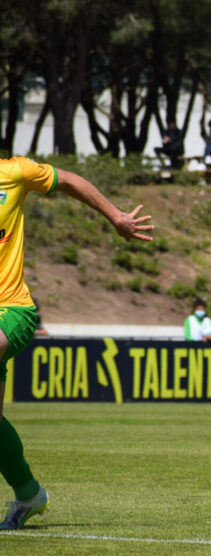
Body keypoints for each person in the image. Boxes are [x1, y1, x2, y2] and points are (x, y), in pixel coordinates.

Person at [0, 156, 154, 530]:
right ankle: (29, 493)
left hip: (13, 311)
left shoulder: (13, 172)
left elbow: (67, 179)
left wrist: (116, 216)